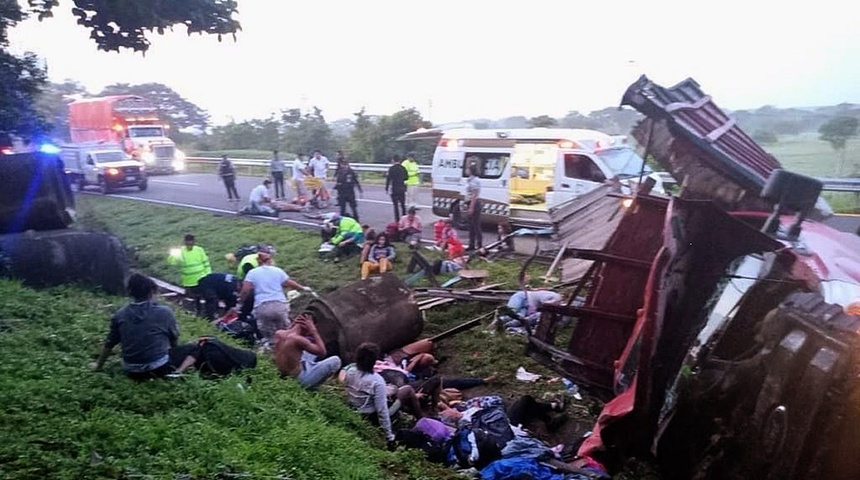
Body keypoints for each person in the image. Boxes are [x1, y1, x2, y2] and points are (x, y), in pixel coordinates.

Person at [90, 274, 196, 379]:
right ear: (151, 292)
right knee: (196, 347)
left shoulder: (120, 314)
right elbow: (173, 338)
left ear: (131, 292)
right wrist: (173, 351)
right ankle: (177, 372)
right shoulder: (165, 312)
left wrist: (98, 366)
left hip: (131, 370)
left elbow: (109, 343)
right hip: (159, 368)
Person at [237, 251, 312, 346]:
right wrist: (303, 288)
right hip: (279, 305)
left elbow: (245, 290)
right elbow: (289, 283)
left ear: (258, 262)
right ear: (270, 260)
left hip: (262, 307)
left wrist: (240, 302)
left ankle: (275, 351)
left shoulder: (252, 273)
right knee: (287, 332)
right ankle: (293, 349)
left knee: (270, 336)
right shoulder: (277, 270)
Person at [339, 343, 400, 446]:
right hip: (369, 415)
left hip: (352, 408)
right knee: (403, 394)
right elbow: (381, 410)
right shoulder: (377, 380)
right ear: (374, 361)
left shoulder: (350, 372)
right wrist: (389, 436)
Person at [273, 313, 341, 389]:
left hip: (282, 373)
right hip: (298, 379)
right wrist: (314, 331)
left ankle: (310, 367)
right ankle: (312, 387)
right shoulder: (298, 340)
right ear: (307, 327)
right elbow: (322, 352)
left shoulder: (279, 333)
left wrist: (294, 325)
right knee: (336, 360)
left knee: (309, 351)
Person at [167, 233, 212, 315]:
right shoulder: (180, 252)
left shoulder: (199, 250)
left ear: (194, 242)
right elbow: (172, 262)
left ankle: (206, 312)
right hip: (189, 281)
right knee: (196, 297)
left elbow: (206, 263)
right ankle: (198, 311)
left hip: (201, 278)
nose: (189, 246)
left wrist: (208, 275)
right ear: (185, 242)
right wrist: (173, 255)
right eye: (188, 244)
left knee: (205, 296)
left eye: (191, 244)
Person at [466, 163, 482, 251]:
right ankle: (471, 244)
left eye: (468, 169)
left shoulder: (474, 181)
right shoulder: (470, 180)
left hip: (475, 203)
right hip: (470, 202)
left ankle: (479, 245)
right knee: (471, 225)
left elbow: (474, 194)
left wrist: (471, 207)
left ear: (470, 170)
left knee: (476, 225)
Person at [386, 154, 408, 221]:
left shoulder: (391, 168)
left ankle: (397, 220)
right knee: (403, 205)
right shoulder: (403, 168)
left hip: (395, 188)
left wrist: (386, 188)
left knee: (395, 206)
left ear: (393, 160)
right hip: (402, 188)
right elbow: (406, 177)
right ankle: (404, 218)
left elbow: (388, 179)